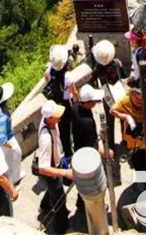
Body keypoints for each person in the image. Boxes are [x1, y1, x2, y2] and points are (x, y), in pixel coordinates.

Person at [37, 100, 74, 234]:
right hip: (52, 171)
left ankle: (44, 206)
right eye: (57, 115)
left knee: (52, 190)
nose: (60, 116)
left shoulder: (49, 122)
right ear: (50, 118)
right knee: (60, 199)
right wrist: (65, 173)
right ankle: (61, 227)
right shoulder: (45, 139)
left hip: (57, 160)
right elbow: (43, 168)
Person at [89, 39, 127, 149]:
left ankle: (111, 146)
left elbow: (92, 82)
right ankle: (125, 139)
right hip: (120, 93)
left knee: (109, 121)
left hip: (107, 96)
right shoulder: (117, 63)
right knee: (123, 118)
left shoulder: (97, 68)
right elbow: (124, 76)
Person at [43, 44, 77, 158]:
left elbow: (46, 78)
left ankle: (67, 151)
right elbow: (74, 92)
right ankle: (72, 147)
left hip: (56, 102)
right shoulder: (67, 76)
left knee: (62, 128)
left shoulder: (50, 70)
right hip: (67, 103)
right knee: (70, 126)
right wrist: (77, 103)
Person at [110, 78, 146, 172]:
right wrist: (126, 117)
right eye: (137, 94)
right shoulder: (125, 100)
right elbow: (112, 111)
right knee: (136, 157)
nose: (140, 98)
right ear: (133, 91)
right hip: (133, 134)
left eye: (142, 95)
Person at [0, 82, 23, 185]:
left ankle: (16, 177)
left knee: (15, 159)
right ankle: (13, 183)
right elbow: (2, 140)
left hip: (7, 138)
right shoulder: (2, 118)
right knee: (12, 161)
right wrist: (11, 147)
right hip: (8, 141)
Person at [70, 83, 105, 152]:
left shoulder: (75, 106)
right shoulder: (87, 122)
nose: (96, 102)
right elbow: (91, 145)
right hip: (85, 151)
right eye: (95, 100)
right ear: (89, 103)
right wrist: (100, 145)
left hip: (78, 144)